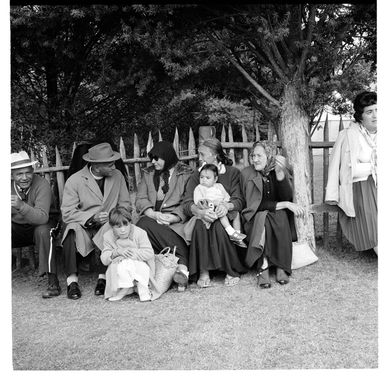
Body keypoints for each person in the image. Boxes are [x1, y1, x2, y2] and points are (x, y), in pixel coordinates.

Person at [60, 142, 131, 300]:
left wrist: (114, 217)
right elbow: (67, 212)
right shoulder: (75, 180)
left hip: (108, 224)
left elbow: (125, 205)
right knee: (71, 230)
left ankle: (103, 278)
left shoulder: (118, 176)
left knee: (110, 228)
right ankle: (72, 281)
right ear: (97, 166)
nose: (114, 166)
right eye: (110, 164)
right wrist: (91, 218)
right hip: (83, 226)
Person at [183, 138, 247, 288]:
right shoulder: (197, 175)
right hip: (203, 215)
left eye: (202, 154)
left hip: (226, 215)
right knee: (200, 224)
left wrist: (226, 206)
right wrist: (200, 211)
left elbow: (239, 200)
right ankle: (204, 270)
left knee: (219, 225)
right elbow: (186, 203)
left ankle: (229, 269)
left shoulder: (232, 173)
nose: (199, 158)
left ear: (214, 155)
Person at [240, 141, 304, 288]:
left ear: (269, 156)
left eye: (259, 156)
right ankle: (264, 265)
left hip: (276, 217)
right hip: (254, 219)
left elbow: (286, 197)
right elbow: (256, 205)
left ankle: (281, 266)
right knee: (265, 217)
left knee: (278, 216)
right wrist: (285, 205)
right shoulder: (247, 174)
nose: (255, 159)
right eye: (253, 155)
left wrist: (281, 176)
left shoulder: (277, 170)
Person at [135, 141, 194, 292]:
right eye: (152, 158)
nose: (153, 162)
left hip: (176, 223)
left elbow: (188, 200)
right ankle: (182, 267)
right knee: (142, 224)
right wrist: (153, 214)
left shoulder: (186, 173)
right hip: (153, 220)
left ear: (167, 157)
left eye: (157, 158)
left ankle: (180, 269)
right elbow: (140, 199)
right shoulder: (148, 173)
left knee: (148, 227)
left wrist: (174, 217)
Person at [326, 91, 377, 254]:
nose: (375, 115)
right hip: (360, 191)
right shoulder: (348, 135)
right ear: (360, 116)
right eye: (369, 112)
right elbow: (337, 168)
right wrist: (332, 195)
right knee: (374, 227)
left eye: (378, 110)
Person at [11, 151, 61, 298]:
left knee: (43, 231)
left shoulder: (42, 184)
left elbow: (42, 218)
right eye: (19, 174)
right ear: (12, 175)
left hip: (44, 223)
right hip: (19, 227)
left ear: (33, 172)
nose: (24, 177)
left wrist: (21, 205)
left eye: (27, 173)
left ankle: (53, 283)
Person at [101, 207, 161, 302]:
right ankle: (124, 288)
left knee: (136, 265)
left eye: (126, 225)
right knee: (123, 264)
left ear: (130, 223)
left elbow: (149, 253)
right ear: (112, 227)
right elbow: (104, 259)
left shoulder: (140, 233)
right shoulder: (108, 236)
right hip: (120, 267)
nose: (123, 230)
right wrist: (117, 252)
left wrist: (133, 253)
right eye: (118, 227)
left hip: (140, 265)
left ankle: (142, 288)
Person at [184, 163, 247, 247]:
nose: (204, 180)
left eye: (208, 178)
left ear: (215, 179)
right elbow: (198, 201)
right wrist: (210, 203)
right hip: (210, 209)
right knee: (222, 216)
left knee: (236, 214)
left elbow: (226, 197)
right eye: (201, 177)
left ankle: (237, 234)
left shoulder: (219, 186)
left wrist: (225, 204)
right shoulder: (199, 188)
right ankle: (230, 232)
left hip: (221, 206)